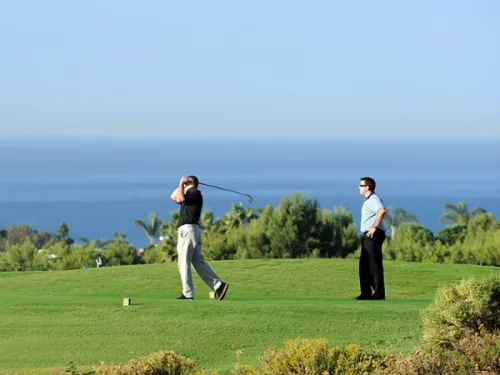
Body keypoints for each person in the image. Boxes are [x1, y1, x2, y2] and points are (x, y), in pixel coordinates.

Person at [170, 175, 229, 300]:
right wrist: (181, 184)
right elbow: (174, 196)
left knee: (183, 262)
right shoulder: (192, 194)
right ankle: (219, 286)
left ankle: (187, 293)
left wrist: (182, 184)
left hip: (187, 231)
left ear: (189, 183)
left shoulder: (194, 193)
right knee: (198, 263)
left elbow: (179, 199)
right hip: (192, 231)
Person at [356, 177, 387, 300]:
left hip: (373, 234)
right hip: (367, 235)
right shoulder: (368, 200)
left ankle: (379, 294)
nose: (359, 188)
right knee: (364, 265)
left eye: (361, 185)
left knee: (374, 265)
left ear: (368, 187)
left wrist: (375, 227)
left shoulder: (374, 199)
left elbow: (382, 211)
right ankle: (366, 293)